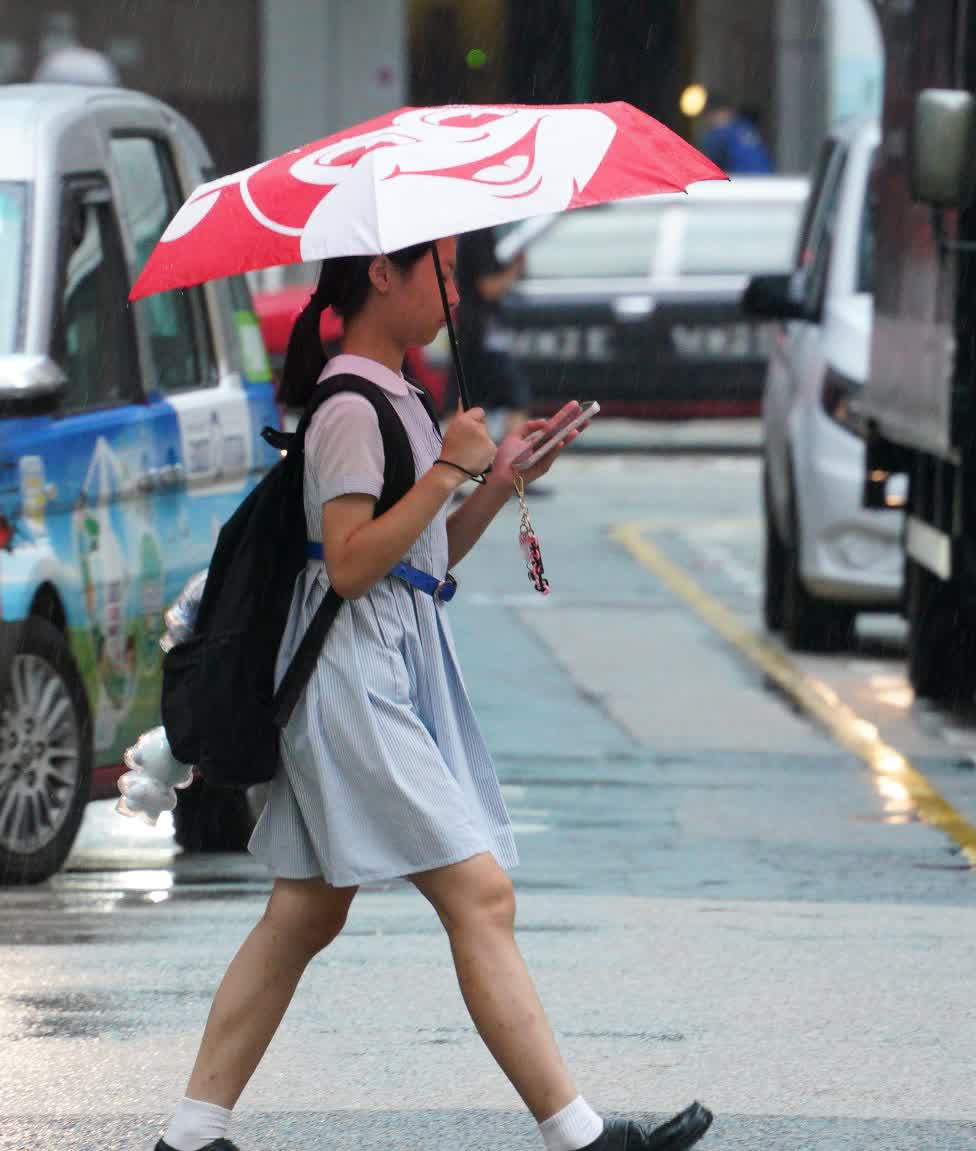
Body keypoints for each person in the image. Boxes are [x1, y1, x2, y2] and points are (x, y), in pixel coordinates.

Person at [154, 240, 711, 1151]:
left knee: (305, 911)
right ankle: (579, 1135)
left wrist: (495, 483)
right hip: (349, 684)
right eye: (441, 272)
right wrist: (451, 471)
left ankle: (191, 1131)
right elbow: (348, 563)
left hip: (376, 667)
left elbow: (419, 561)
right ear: (382, 272)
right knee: (480, 895)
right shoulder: (348, 406)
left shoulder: (403, 396)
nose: (455, 290)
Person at [453, 225, 531, 444]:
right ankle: (511, 462)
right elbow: (488, 287)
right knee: (516, 398)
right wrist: (515, 268)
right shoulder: (478, 234)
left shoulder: (471, 234)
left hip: (474, 333)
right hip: (482, 335)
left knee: (466, 399)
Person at [697, 100, 774, 175]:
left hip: (741, 182)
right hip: (765, 180)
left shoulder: (721, 133)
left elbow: (706, 164)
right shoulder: (747, 126)